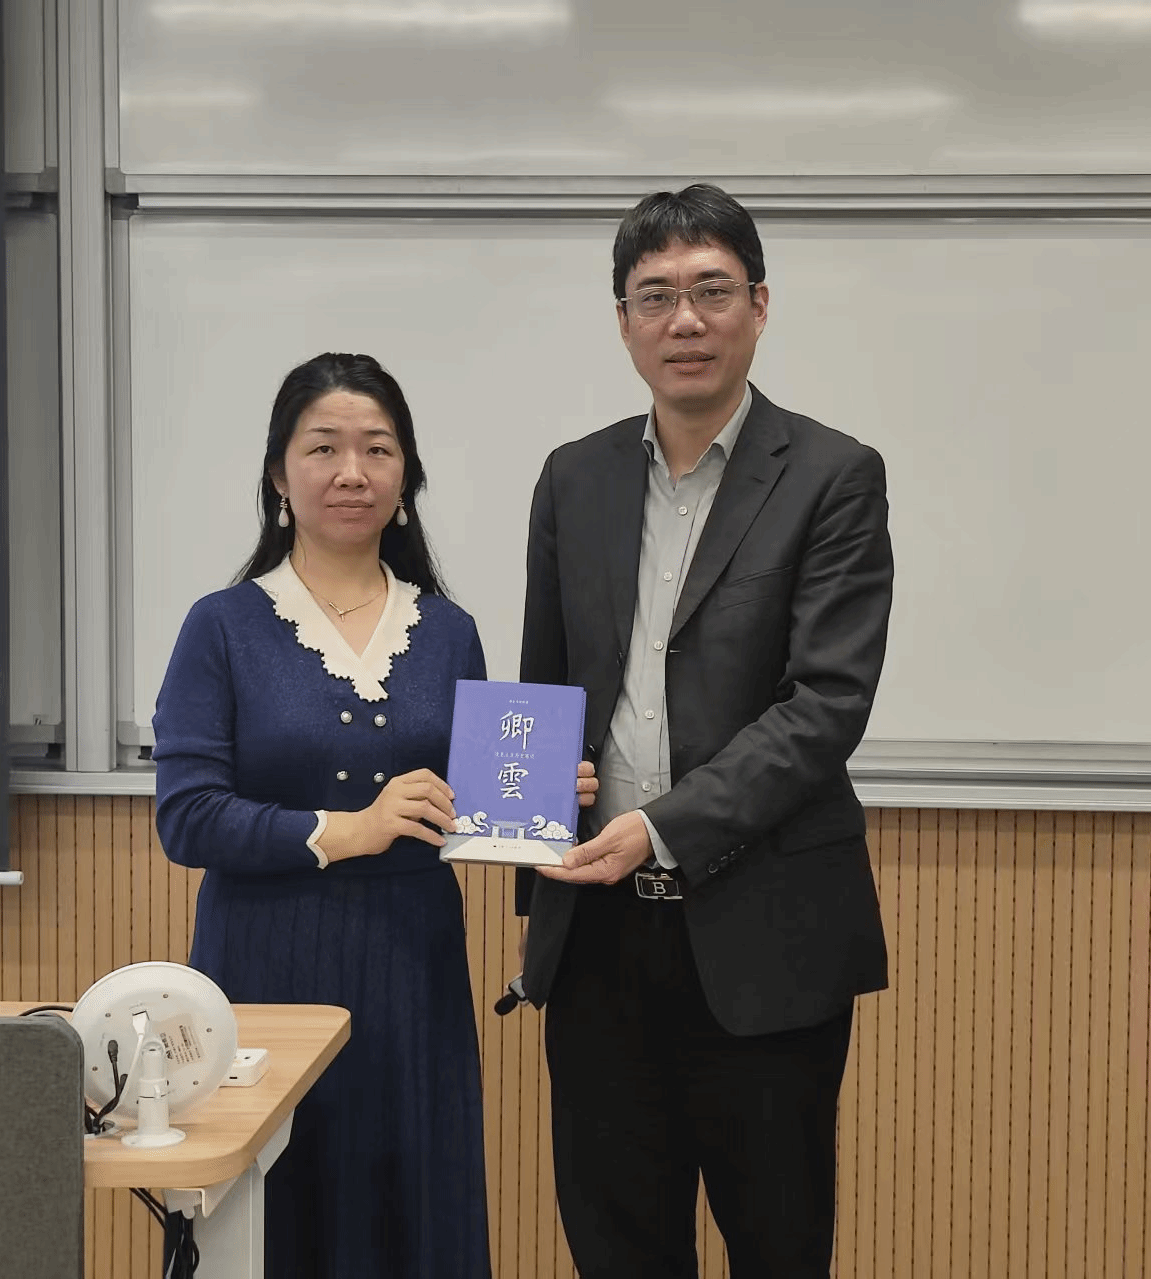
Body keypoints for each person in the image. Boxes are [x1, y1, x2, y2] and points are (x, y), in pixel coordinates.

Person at [516, 184, 895, 1278]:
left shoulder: (831, 476)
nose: (683, 319)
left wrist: (659, 826)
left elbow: (824, 707)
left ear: (759, 306)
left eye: (711, 291)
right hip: (596, 941)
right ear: (623, 319)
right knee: (617, 1246)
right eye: (655, 296)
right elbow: (546, 686)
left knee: (777, 1245)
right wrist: (528, 830)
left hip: (763, 935)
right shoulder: (573, 476)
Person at [153, 352, 554, 1278]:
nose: (352, 471)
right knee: (273, 1222)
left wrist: (539, 798)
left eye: (378, 449)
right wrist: (348, 828)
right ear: (278, 474)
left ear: (406, 478)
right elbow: (188, 818)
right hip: (261, 975)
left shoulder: (447, 630)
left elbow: (470, 804)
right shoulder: (222, 625)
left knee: (408, 1211)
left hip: (413, 972)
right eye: (323, 447)